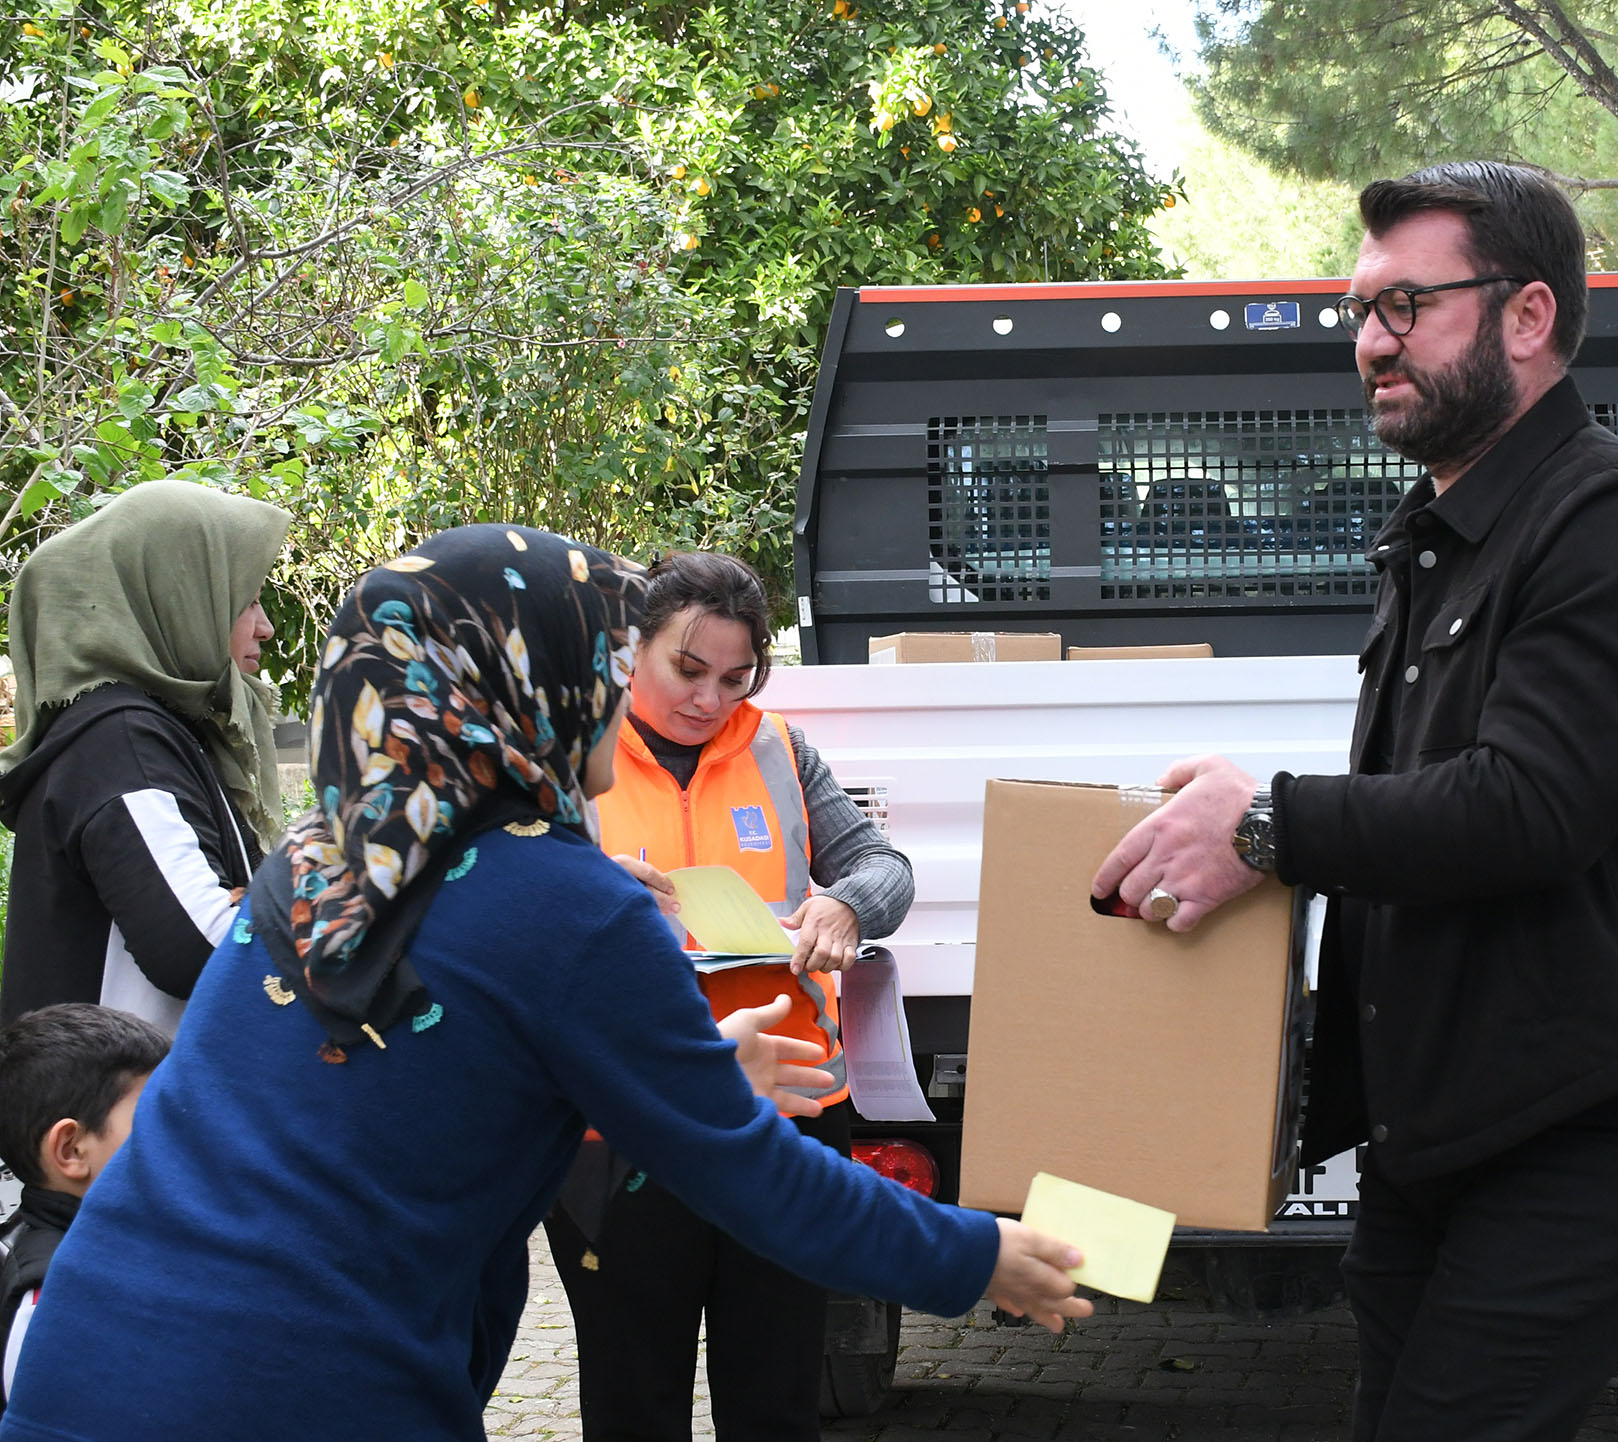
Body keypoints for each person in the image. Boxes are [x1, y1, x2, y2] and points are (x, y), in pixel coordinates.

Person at [0, 524, 1088, 1442]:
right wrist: (978, 1252)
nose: (630, 699)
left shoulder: (322, 857)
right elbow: (761, 1182)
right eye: (612, 669)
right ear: (529, 686)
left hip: (83, 1358)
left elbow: (419, 1093)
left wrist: (696, 1076)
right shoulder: (564, 900)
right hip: (289, 1387)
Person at [1092, 162, 1618, 1442]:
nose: (1367, 342)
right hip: (1441, 1132)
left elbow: (1526, 808)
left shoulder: (1612, 519)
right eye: (1360, 310)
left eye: (1405, 306)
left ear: (1524, 316)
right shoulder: (1438, 535)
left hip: (1588, 1127)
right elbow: (1428, 810)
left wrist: (1266, 824)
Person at [547, 550, 911, 1441]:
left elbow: (883, 866)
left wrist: (842, 905)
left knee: (778, 1394)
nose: (710, 699)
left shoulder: (780, 748)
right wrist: (584, 884)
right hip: (625, 1123)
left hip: (786, 1117)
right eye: (687, 668)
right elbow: (482, 898)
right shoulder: (561, 754)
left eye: (736, 677)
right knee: (635, 1397)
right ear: (628, 648)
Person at [0, 479, 291, 1033]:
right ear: (177, 598)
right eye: (246, 600)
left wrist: (251, 901)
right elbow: (201, 944)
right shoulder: (120, 741)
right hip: (104, 1110)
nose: (265, 627)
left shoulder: (164, 729)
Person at [0, 1004, 171, 1417]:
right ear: (72, 1150)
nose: (183, 1136)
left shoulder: (111, 1243)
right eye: (158, 1119)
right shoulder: (53, 1302)